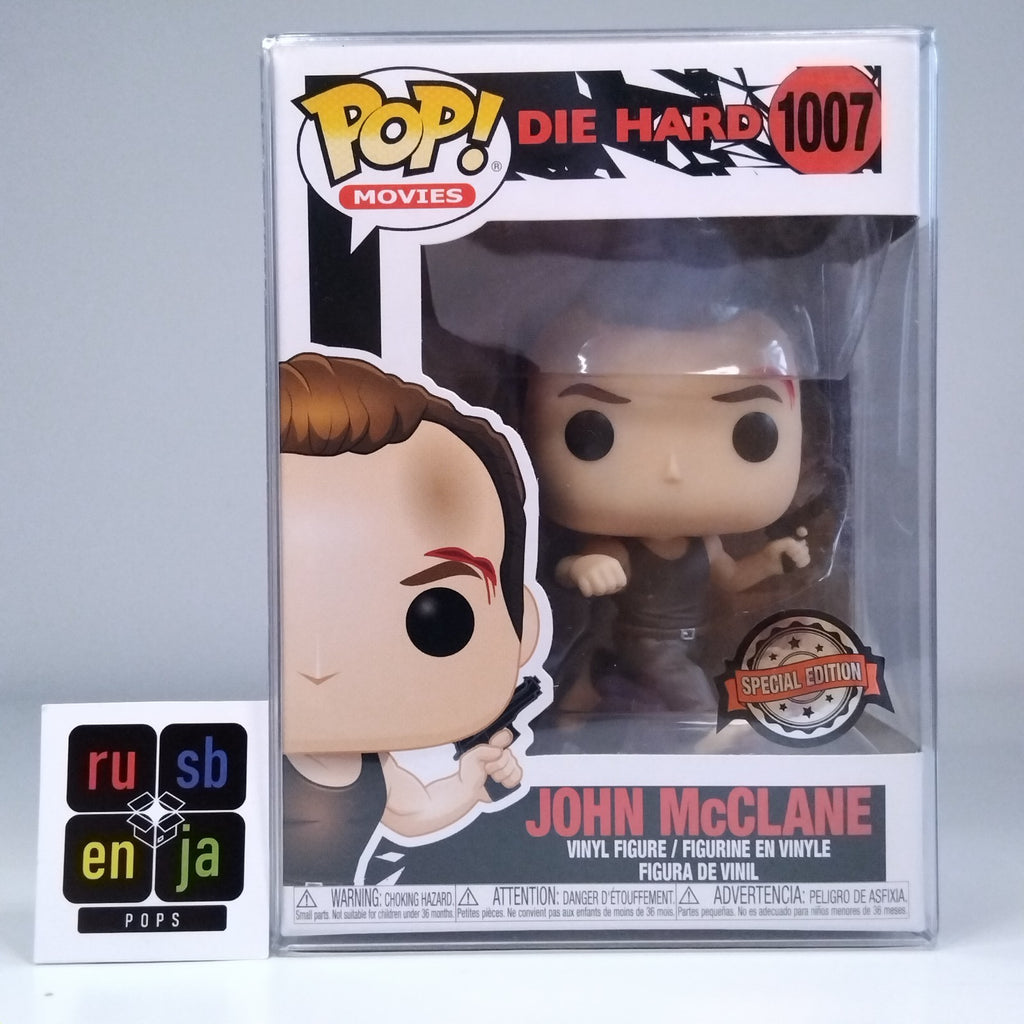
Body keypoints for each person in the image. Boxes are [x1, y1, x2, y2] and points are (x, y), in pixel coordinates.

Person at [279, 353, 542, 884]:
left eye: (438, 619)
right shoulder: (224, 757)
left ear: (522, 627)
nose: (320, 665)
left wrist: (469, 781)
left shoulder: (371, 765)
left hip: (339, 916)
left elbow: (414, 810)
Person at [525, 281, 810, 716]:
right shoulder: (621, 547)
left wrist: (771, 560)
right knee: (682, 681)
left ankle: (591, 688)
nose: (672, 469)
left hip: (695, 639)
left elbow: (731, 576)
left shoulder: (706, 544)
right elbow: (569, 568)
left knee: (682, 670)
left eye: (751, 434)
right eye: (592, 433)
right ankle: (702, 729)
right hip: (649, 644)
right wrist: (582, 566)